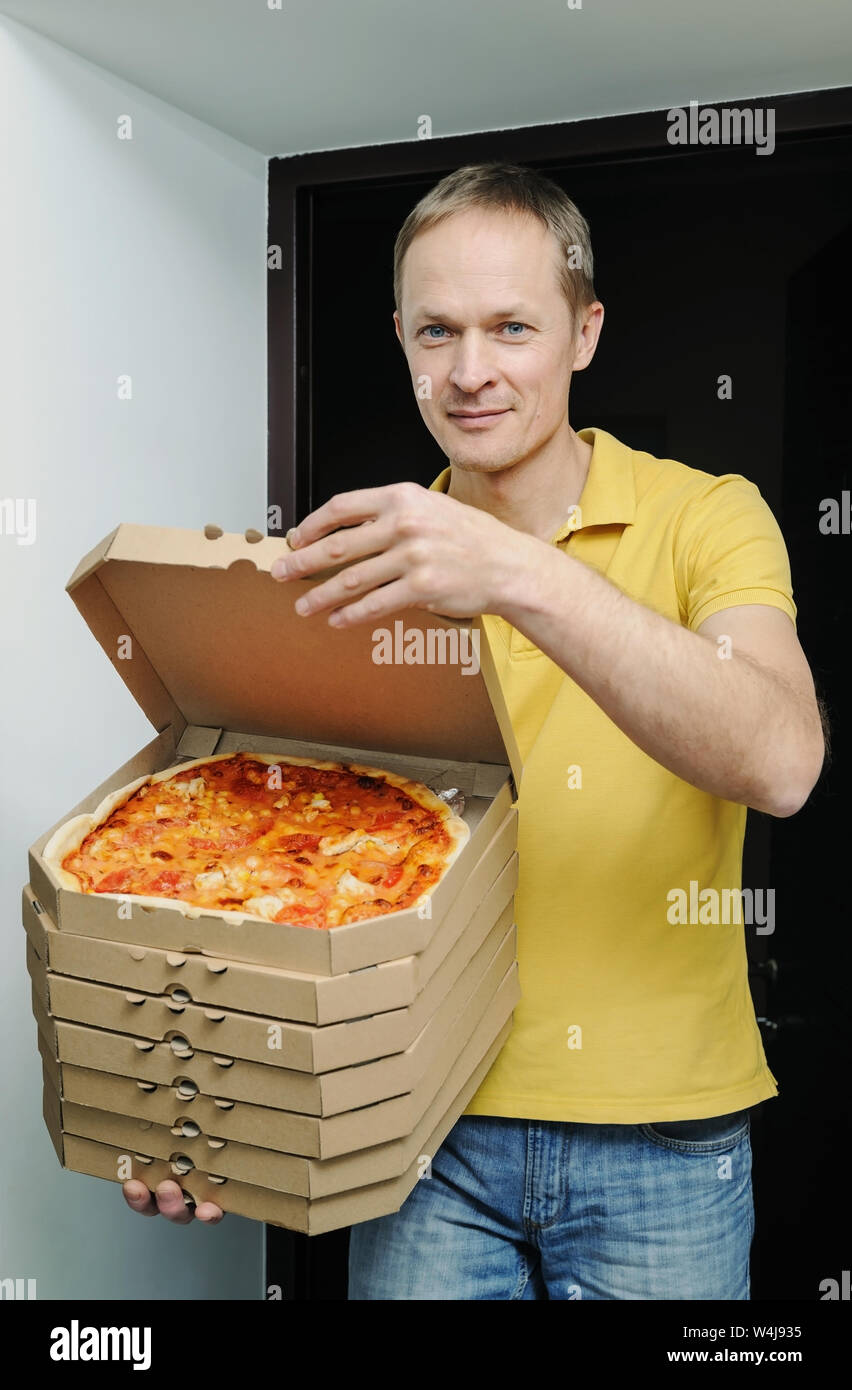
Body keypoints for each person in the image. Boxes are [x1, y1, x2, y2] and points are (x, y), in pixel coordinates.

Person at [123, 162, 825, 1300]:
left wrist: (518, 574)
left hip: (663, 1138)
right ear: (401, 338)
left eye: (512, 326)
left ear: (585, 333)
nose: (472, 371)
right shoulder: (353, 559)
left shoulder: (711, 515)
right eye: (438, 331)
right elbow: (267, 875)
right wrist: (194, 1094)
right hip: (412, 1124)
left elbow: (781, 761)